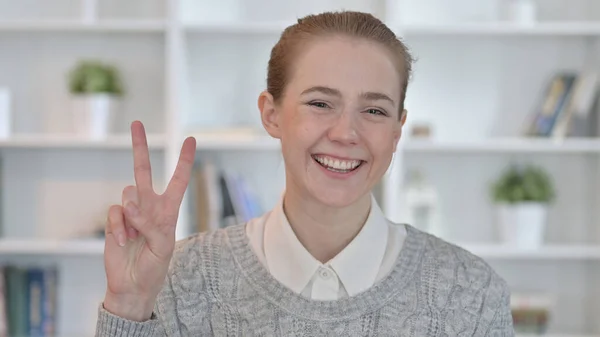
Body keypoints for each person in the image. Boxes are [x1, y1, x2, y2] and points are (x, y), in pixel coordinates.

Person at [95, 10, 514, 336]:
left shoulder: (471, 293)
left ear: (397, 130)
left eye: (374, 110)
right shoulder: (179, 277)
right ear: (271, 114)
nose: (346, 133)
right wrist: (128, 306)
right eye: (320, 103)